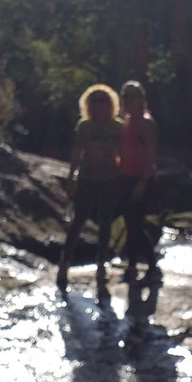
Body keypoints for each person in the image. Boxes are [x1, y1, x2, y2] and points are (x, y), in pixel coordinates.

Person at [57, 84, 123, 299]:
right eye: (94, 100)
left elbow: (123, 153)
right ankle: (64, 263)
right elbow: (77, 152)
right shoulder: (84, 126)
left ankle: (101, 266)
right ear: (88, 104)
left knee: (105, 223)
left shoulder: (117, 126)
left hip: (110, 180)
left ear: (110, 103)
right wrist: (70, 177)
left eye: (103, 100)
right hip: (87, 179)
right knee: (78, 221)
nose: (98, 104)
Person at [117, 80, 160, 284]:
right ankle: (132, 265)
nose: (128, 100)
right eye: (125, 96)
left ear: (140, 98)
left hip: (141, 179)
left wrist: (142, 182)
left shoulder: (146, 122)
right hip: (125, 177)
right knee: (129, 223)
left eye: (132, 96)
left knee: (137, 225)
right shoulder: (125, 121)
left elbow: (151, 154)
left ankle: (152, 267)